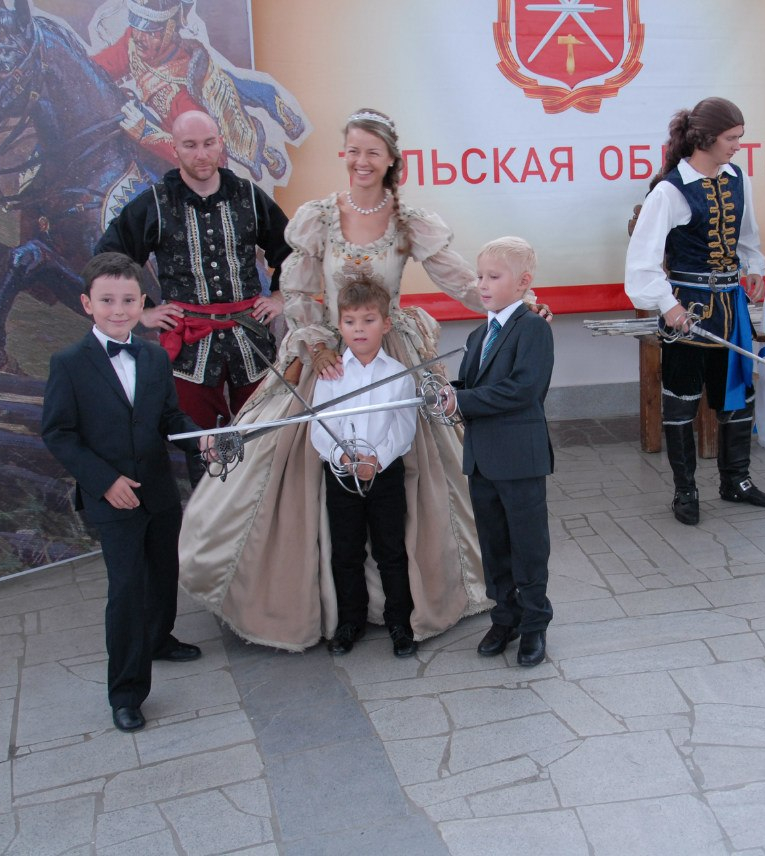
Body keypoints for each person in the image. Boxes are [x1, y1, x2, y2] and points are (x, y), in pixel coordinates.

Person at [177, 108, 548, 651]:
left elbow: (463, 282)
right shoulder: (319, 217)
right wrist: (315, 342)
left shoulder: (408, 221)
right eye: (353, 150)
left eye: (373, 151)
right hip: (329, 354)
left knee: (410, 472)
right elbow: (297, 290)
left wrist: (520, 303)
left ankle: (411, 604)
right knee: (300, 468)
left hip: (392, 349)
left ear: (391, 159)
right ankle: (333, 607)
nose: (362, 161)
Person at [41, 252, 213, 733]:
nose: (118, 310)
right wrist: (105, 481)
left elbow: (169, 418)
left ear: (142, 304)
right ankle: (126, 691)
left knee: (163, 571)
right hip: (112, 498)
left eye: (128, 300)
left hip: (158, 490)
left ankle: (159, 639)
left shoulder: (154, 356)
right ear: (87, 304)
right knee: (126, 590)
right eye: (107, 300)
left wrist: (199, 437)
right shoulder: (69, 364)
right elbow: (58, 433)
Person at [95, 109, 290, 485]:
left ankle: (259, 520)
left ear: (220, 144)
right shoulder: (156, 202)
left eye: (208, 143)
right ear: (175, 148)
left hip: (251, 340)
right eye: (190, 145)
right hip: (189, 347)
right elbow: (109, 257)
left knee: (263, 440)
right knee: (203, 449)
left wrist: (280, 296)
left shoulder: (249, 196)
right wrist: (143, 313)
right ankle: (209, 518)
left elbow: (290, 248)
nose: (201, 154)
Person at [625, 96, 765, 527]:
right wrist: (669, 306)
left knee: (737, 397)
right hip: (688, 311)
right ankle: (686, 490)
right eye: (731, 138)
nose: (737, 146)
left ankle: (736, 481)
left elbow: (747, 238)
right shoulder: (670, 191)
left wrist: (754, 268)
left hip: (731, 309)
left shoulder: (737, 178)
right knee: (682, 404)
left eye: (739, 138)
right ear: (705, 139)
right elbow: (642, 262)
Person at [439, 237, 554, 667]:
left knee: (528, 544)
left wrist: (463, 401)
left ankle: (535, 622)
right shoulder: (478, 334)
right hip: (482, 457)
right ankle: (505, 616)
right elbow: (473, 386)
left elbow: (524, 390)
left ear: (523, 282)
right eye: (479, 276)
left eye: (493, 276)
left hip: (520, 458)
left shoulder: (534, 328)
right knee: (493, 543)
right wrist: (447, 394)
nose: (482, 285)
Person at [312, 279, 418, 657]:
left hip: (384, 475)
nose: (359, 329)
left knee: (391, 550)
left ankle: (399, 623)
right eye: (350, 322)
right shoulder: (331, 375)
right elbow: (320, 427)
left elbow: (405, 428)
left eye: (368, 320)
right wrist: (343, 458)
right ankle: (350, 622)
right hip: (342, 475)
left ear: (385, 324)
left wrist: (378, 460)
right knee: (346, 551)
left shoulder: (399, 374)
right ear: (340, 326)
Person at [91, 0, 303, 180]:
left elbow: (210, 159)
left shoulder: (182, 98)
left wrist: (146, 133)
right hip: (173, 124)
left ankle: (268, 136)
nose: (139, 37)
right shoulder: (134, 40)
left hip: (198, 108)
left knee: (235, 116)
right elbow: (98, 67)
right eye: (136, 26)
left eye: (150, 31)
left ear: (169, 30)